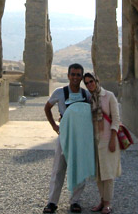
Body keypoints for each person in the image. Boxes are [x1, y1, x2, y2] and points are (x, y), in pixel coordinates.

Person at [43, 63, 91, 214]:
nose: (75, 77)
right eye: (73, 74)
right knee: (58, 169)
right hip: (65, 134)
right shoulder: (60, 92)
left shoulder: (86, 94)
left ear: (81, 77)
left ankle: (75, 201)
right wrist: (54, 126)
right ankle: (52, 202)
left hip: (80, 135)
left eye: (78, 75)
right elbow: (47, 107)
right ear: (68, 75)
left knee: (79, 169)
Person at [83, 73, 121, 214]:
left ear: (96, 80)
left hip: (107, 139)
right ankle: (102, 200)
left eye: (91, 81)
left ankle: (108, 203)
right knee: (98, 173)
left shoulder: (109, 96)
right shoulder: (90, 99)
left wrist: (113, 138)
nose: (89, 85)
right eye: (86, 83)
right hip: (95, 140)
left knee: (108, 173)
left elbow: (116, 119)